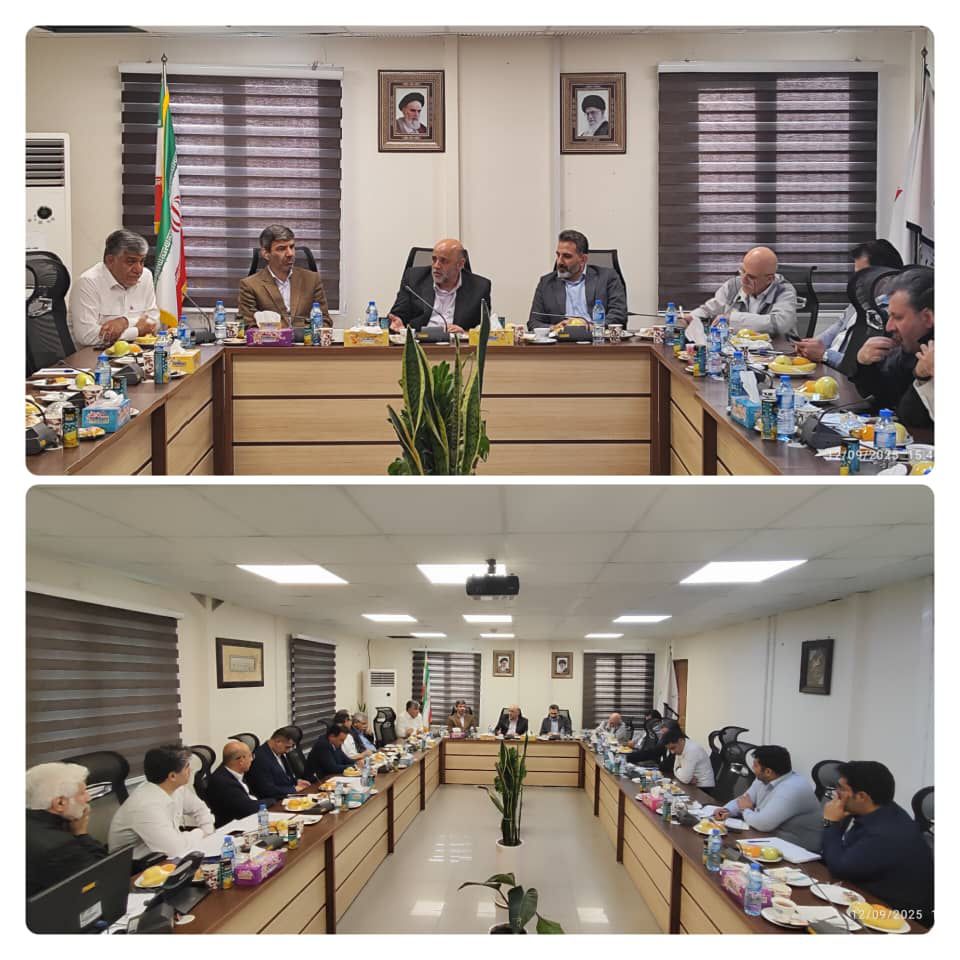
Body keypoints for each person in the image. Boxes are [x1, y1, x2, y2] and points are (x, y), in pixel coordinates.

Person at [820, 761, 933, 928]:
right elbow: (833, 854)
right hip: (863, 894)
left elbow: (839, 868)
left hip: (896, 918)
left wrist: (830, 822)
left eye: (841, 788)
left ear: (862, 797)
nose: (836, 793)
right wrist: (836, 822)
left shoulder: (886, 832)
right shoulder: (881, 810)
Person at [796, 240, 903, 369]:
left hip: (845, 376)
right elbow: (832, 332)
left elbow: (861, 364)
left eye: (862, 274)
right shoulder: (860, 301)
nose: (857, 280)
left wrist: (825, 355)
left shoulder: (890, 314)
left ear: (885, 276)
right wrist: (808, 346)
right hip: (826, 368)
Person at [851, 267, 934, 429]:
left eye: (898, 317)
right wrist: (865, 365)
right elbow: (885, 398)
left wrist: (921, 378)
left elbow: (912, 420)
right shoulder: (910, 349)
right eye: (890, 316)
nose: (889, 327)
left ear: (927, 318)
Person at [107, 745, 215, 859]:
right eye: (187, 767)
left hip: (162, 853)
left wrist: (207, 829)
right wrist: (201, 833)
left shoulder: (176, 788)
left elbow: (200, 809)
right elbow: (174, 849)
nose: (191, 770)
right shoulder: (145, 806)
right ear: (172, 776)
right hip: (136, 865)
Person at [712, 745, 822, 851]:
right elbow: (744, 800)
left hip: (798, 848)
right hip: (770, 837)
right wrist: (727, 810)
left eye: (755, 766)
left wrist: (745, 810)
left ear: (768, 772)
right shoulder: (763, 779)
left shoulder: (793, 788)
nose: (752, 768)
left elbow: (763, 824)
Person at [26, 762, 107, 896]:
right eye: (82, 793)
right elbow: (105, 875)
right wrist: (81, 833)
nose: (88, 798)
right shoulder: (58, 846)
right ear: (60, 803)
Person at [68, 228, 160, 348]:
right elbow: (87, 336)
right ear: (110, 260)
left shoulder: (145, 276)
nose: (138, 270)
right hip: (95, 356)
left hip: (135, 353)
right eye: (131, 262)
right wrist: (136, 331)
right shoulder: (87, 283)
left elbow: (153, 322)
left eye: (142, 262)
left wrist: (124, 322)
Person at [684, 246, 798, 337]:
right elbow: (710, 309)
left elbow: (779, 323)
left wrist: (731, 319)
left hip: (778, 352)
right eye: (743, 271)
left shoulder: (784, 291)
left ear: (769, 279)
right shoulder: (733, 285)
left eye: (751, 277)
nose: (743, 280)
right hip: (740, 350)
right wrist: (692, 317)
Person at [388, 239, 492, 334]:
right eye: (434, 259)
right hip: (420, 342)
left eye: (443, 261)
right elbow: (396, 315)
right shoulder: (413, 278)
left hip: (457, 345)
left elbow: (483, 328)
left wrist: (465, 333)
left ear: (460, 264)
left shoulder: (480, 287)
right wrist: (397, 322)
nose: (436, 266)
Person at [528, 229, 627, 330]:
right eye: (558, 255)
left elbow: (618, 315)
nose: (559, 261)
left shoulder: (607, 277)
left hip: (595, 336)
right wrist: (554, 327)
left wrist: (592, 327)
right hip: (561, 338)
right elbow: (533, 322)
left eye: (567, 256)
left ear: (583, 259)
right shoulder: (546, 283)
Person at [237, 224, 331, 329]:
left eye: (292, 247)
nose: (290, 254)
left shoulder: (312, 279)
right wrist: (282, 332)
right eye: (281, 249)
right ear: (266, 253)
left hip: (306, 338)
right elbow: (248, 326)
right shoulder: (250, 285)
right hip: (270, 339)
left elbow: (325, 321)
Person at [204, 741, 262, 829]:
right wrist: (272, 801)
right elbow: (248, 808)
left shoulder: (236, 773)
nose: (251, 759)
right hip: (233, 828)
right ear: (241, 760)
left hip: (246, 818)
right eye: (250, 756)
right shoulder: (224, 782)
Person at [246, 728, 312, 802]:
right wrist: (294, 789)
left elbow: (284, 776)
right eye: (287, 747)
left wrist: (296, 781)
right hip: (274, 801)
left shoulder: (278, 751)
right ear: (278, 741)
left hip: (287, 796)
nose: (288, 751)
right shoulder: (260, 758)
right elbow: (266, 789)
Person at [661, 727, 715, 792]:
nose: (672, 752)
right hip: (692, 785)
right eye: (670, 749)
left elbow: (685, 779)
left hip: (704, 788)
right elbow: (675, 769)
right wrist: (679, 771)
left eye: (673, 748)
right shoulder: (682, 747)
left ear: (680, 740)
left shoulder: (692, 750)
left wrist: (679, 771)